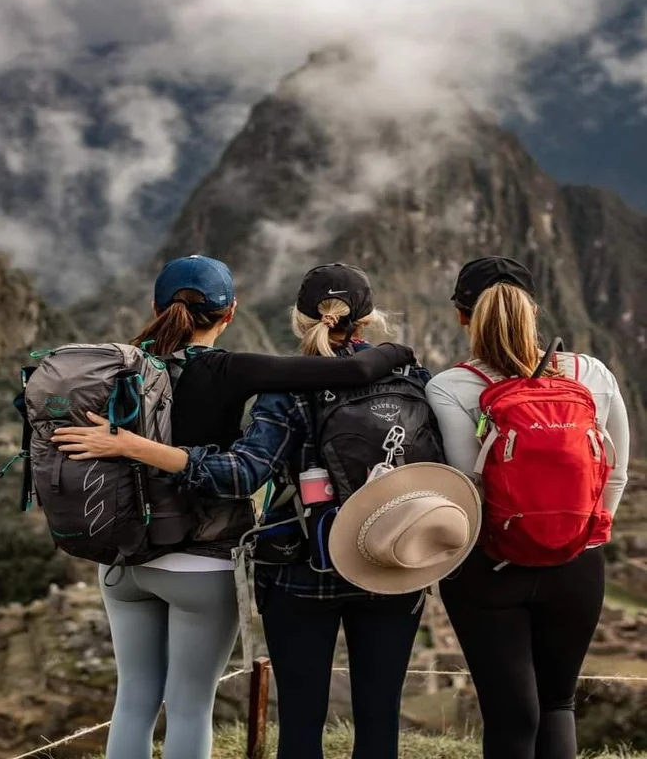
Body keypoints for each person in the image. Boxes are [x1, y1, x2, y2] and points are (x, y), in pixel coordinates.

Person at [57, 263, 433, 759]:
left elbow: (248, 469)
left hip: (147, 557)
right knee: (195, 706)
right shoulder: (408, 379)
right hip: (378, 560)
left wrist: (130, 446)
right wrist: (397, 353)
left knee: (137, 701)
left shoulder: (121, 365)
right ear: (230, 312)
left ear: (156, 307)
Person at [426, 256, 631, 759]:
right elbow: (616, 474)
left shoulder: (449, 387)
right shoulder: (592, 373)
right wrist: (580, 534)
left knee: (510, 714)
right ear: (533, 310)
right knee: (558, 704)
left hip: (490, 568)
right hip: (577, 565)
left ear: (462, 315)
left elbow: (467, 490)